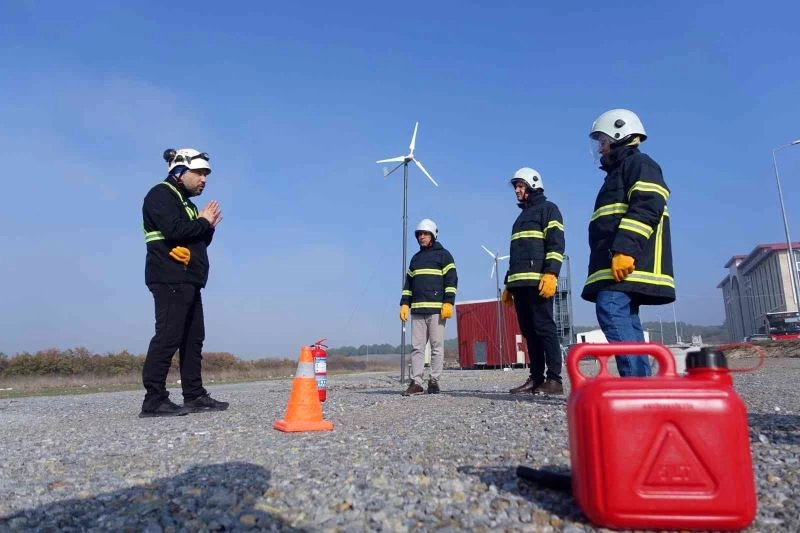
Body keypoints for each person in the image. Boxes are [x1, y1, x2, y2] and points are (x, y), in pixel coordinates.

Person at [582, 109, 675, 377]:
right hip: (618, 265)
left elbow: (647, 206)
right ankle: (643, 384)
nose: (600, 150)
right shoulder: (619, 172)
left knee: (610, 308)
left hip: (627, 261)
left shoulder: (640, 164)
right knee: (628, 320)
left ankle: (634, 383)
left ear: (619, 134)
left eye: (602, 141)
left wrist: (624, 249)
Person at [139, 148, 228, 417]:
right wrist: (202, 221)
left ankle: (194, 395)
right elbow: (174, 231)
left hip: (189, 279)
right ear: (179, 171)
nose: (204, 179)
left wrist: (207, 227)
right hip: (170, 276)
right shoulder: (161, 194)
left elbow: (195, 239)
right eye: (199, 173)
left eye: (206, 174)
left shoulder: (186, 203)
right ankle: (154, 400)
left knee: (193, 339)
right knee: (168, 336)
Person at [501, 168, 565, 395]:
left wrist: (551, 274)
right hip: (520, 285)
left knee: (545, 329)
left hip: (538, 282)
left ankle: (555, 380)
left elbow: (556, 245)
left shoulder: (549, 210)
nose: (517, 190)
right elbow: (515, 255)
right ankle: (536, 378)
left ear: (533, 185)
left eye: (520, 185)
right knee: (529, 332)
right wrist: (509, 284)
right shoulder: (519, 219)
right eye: (516, 186)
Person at [399, 219, 458, 395]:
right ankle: (416, 382)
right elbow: (408, 284)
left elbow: (451, 280)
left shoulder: (444, 255)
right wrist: (404, 303)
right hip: (417, 310)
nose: (421, 237)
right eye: (419, 234)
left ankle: (434, 381)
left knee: (436, 346)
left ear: (432, 235)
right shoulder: (415, 259)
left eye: (425, 234)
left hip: (436, 310)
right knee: (417, 348)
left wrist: (449, 301)